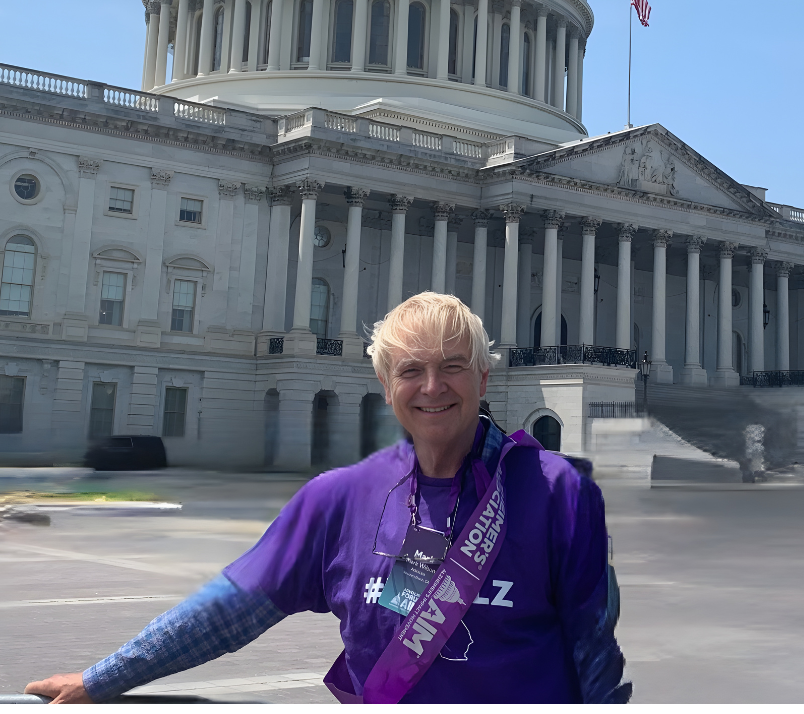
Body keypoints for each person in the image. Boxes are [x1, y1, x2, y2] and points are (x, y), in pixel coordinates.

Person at [26, 291, 631, 704]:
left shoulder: (558, 492)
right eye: (411, 370)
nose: (432, 387)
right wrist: (102, 679)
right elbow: (231, 610)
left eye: (452, 366)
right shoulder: (341, 499)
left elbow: (594, 648)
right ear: (384, 383)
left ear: (484, 377)